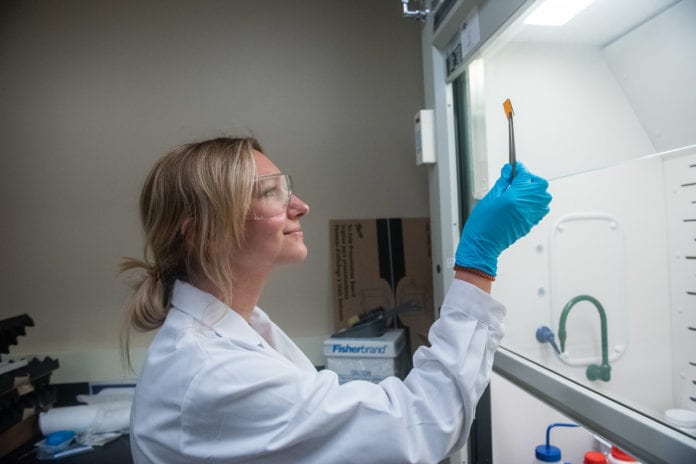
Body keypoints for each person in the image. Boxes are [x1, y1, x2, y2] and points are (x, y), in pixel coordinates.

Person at [122, 136, 551, 464]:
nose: (301, 206)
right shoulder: (214, 375)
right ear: (203, 232)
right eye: (270, 192)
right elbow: (421, 425)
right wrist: (477, 262)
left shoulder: (237, 333)